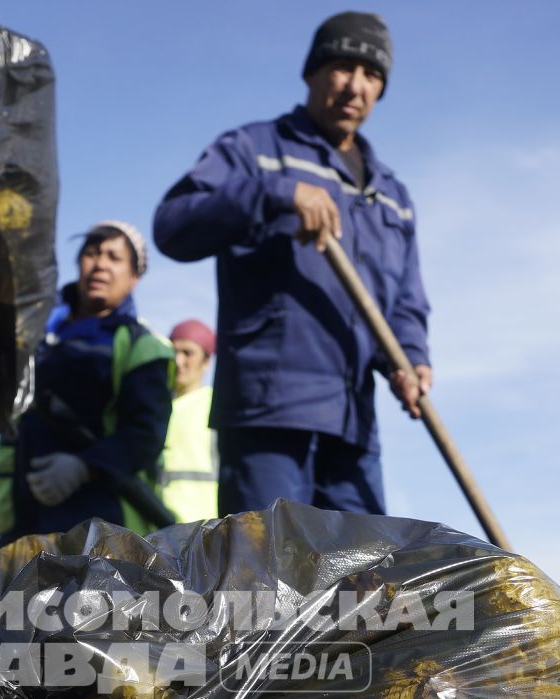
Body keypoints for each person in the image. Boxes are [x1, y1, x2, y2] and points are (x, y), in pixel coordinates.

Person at [153, 12, 429, 517]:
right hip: (268, 413)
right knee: (268, 581)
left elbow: (406, 299)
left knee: (363, 583)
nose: (355, 86)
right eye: (343, 67)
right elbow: (173, 226)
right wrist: (275, 193)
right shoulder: (256, 151)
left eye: (371, 75)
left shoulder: (392, 196)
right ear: (312, 72)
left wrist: (411, 358)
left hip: (353, 424)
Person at [0, 220, 173, 541]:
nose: (100, 264)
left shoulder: (142, 345)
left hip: (103, 527)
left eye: (114, 257)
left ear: (134, 277)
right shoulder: (36, 334)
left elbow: (145, 435)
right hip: (23, 522)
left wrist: (83, 467)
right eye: (91, 254)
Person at [159, 319, 220, 523]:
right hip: (149, 526)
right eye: (173, 352)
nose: (178, 361)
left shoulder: (216, 405)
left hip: (200, 530)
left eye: (188, 353)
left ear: (206, 361)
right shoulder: (155, 405)